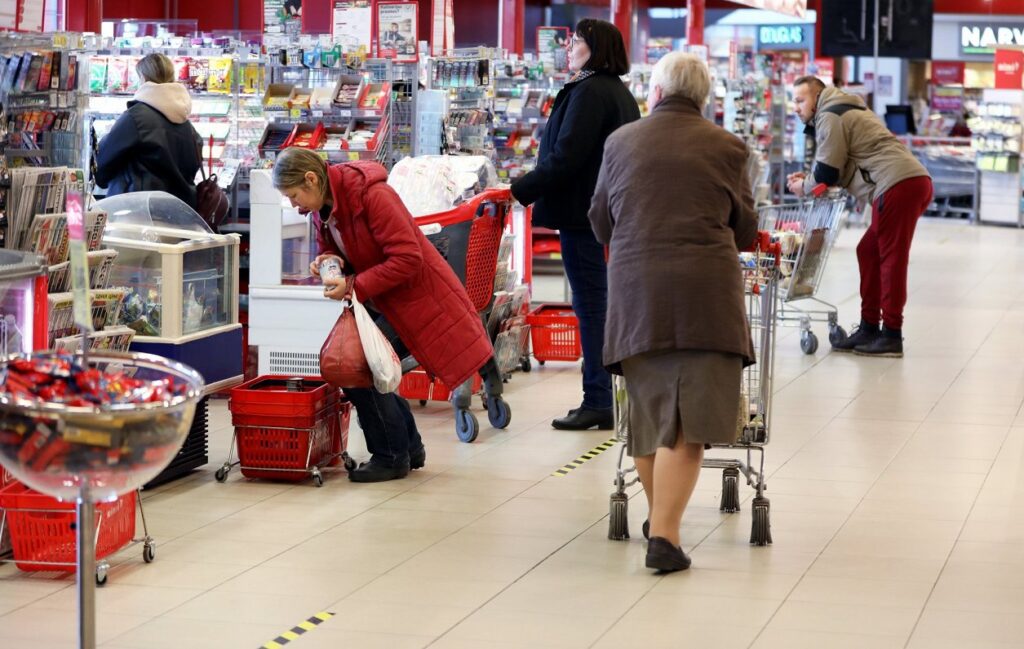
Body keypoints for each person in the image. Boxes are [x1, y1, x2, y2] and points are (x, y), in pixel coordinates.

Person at [589, 52, 757, 573]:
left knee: (648, 416)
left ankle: (660, 520)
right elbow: (745, 230)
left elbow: (600, 219)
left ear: (655, 93)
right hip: (707, 296)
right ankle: (664, 534)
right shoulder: (728, 147)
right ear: (703, 98)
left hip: (637, 293)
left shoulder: (620, 142)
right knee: (690, 425)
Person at [271, 147, 496, 482]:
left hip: (418, 302)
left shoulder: (373, 196)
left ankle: (391, 456)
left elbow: (408, 258)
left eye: (294, 195)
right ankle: (408, 447)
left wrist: (352, 285)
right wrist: (330, 260)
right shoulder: (324, 206)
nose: (294, 205)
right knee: (370, 368)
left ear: (312, 179)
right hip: (385, 301)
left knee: (358, 369)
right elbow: (336, 241)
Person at [510, 18, 640, 431]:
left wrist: (520, 190)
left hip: (583, 216)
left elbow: (566, 156)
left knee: (591, 306)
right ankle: (607, 396)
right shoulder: (617, 92)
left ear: (595, 48)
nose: (568, 47)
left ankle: (598, 399)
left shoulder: (591, 92)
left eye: (576, 41)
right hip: (604, 214)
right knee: (600, 303)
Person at [787, 76, 932, 358]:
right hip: (908, 182)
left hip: (897, 185)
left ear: (817, 97)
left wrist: (803, 187)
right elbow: (837, 167)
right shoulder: (845, 108)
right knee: (868, 251)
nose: (795, 107)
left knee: (891, 259)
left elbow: (826, 175)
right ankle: (869, 327)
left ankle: (891, 334)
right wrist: (809, 180)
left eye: (800, 100)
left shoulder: (830, 114)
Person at [95, 53, 203, 209]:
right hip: (180, 212)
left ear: (144, 79)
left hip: (138, 212)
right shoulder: (187, 124)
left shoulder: (136, 118)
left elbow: (102, 164)